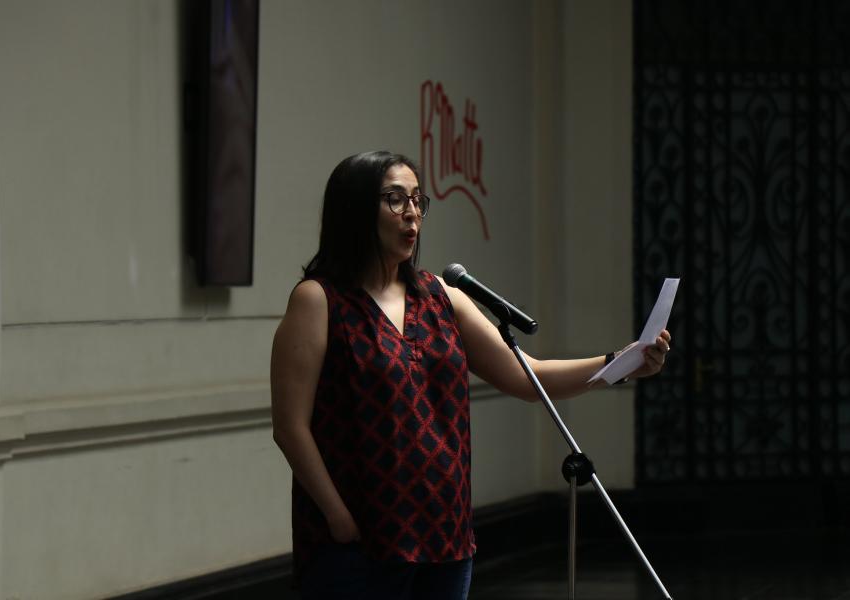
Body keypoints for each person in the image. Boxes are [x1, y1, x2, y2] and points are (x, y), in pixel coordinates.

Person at [270, 151, 671, 600]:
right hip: (361, 538)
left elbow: (528, 377)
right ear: (356, 208)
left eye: (418, 200)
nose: (412, 214)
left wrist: (623, 361)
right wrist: (337, 516)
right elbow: (291, 427)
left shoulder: (440, 297)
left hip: (445, 529)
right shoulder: (319, 300)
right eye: (394, 199)